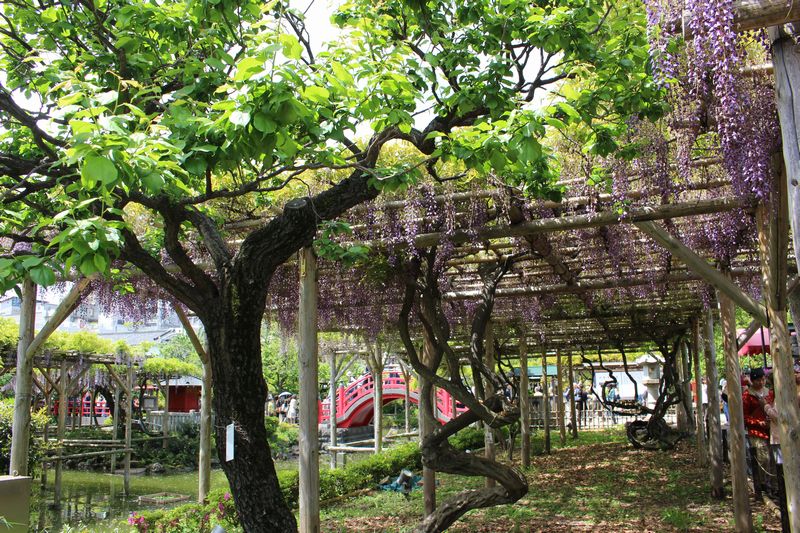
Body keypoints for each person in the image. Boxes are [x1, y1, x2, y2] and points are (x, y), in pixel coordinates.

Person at [764, 362, 800, 532]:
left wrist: (767, 408)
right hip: (780, 438)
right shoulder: (777, 395)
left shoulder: (793, 394)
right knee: (781, 470)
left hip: (788, 439)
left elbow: (781, 417)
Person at [742, 367, 774, 497]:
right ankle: (763, 485)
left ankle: (773, 485)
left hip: (772, 431)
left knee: (773, 459)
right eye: (758, 380)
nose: (761, 382)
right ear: (753, 381)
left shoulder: (769, 393)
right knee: (763, 458)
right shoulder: (747, 396)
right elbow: (744, 417)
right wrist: (757, 422)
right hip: (756, 432)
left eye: (763, 379)